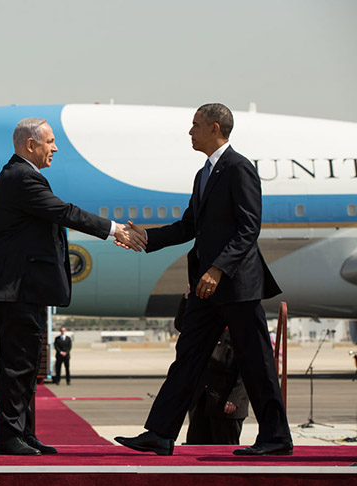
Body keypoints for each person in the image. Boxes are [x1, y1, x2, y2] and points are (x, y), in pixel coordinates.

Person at [115, 103, 293, 456]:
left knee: (256, 362)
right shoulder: (204, 174)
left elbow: (248, 228)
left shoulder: (239, 168)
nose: (190, 132)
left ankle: (276, 438)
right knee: (187, 358)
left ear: (214, 128)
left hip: (236, 285)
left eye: (195, 125)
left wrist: (217, 269)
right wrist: (147, 237)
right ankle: (160, 433)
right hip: (206, 288)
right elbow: (189, 226)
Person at [0, 117, 146, 456]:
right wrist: (114, 229)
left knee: (28, 366)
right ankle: (10, 437)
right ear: (31, 145)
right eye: (50, 141)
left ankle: (24, 433)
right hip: (17, 289)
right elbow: (65, 212)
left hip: (26, 289)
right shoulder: (21, 178)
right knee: (18, 364)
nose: (55, 148)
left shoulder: (24, 176)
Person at [174, 293, 248, 445]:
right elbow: (182, 324)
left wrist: (235, 398)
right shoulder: (208, 326)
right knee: (196, 445)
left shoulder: (241, 329)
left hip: (226, 401)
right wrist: (187, 298)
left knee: (224, 450)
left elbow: (247, 370)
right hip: (202, 399)